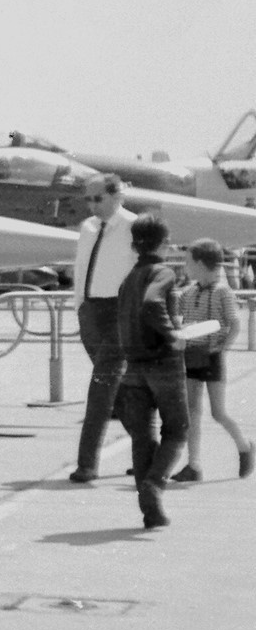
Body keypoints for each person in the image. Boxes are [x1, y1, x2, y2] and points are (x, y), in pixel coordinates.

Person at [115, 214, 189, 529]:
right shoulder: (163, 272)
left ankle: (151, 511)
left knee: (141, 437)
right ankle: (155, 484)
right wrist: (173, 333)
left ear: (134, 245)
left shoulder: (128, 278)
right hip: (164, 363)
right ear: (165, 244)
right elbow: (151, 303)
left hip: (133, 365)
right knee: (177, 429)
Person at [69, 173, 137, 482]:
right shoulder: (87, 228)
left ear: (116, 196)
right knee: (117, 391)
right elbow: (81, 269)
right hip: (91, 312)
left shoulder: (134, 227)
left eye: (98, 198)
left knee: (100, 387)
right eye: (88, 199)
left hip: (118, 313)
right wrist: (80, 306)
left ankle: (87, 463)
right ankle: (148, 450)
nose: (92, 205)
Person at [171, 239, 253, 482]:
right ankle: (193, 465)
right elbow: (179, 320)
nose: (185, 268)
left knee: (218, 412)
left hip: (212, 357)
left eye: (188, 262)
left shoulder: (222, 292)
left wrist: (222, 348)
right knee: (192, 411)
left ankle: (245, 446)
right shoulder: (188, 292)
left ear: (198, 264)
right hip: (192, 356)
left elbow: (234, 323)